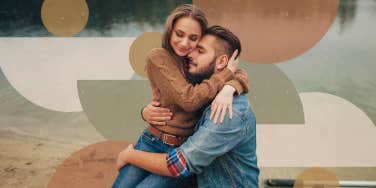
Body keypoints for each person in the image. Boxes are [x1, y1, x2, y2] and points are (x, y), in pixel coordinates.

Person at [112, 4, 249, 188]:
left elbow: (236, 71)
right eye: (179, 34)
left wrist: (229, 88)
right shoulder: (159, 57)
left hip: (183, 149)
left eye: (194, 39)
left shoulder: (194, 62)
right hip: (153, 141)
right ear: (170, 32)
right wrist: (144, 111)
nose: (184, 44)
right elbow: (188, 100)